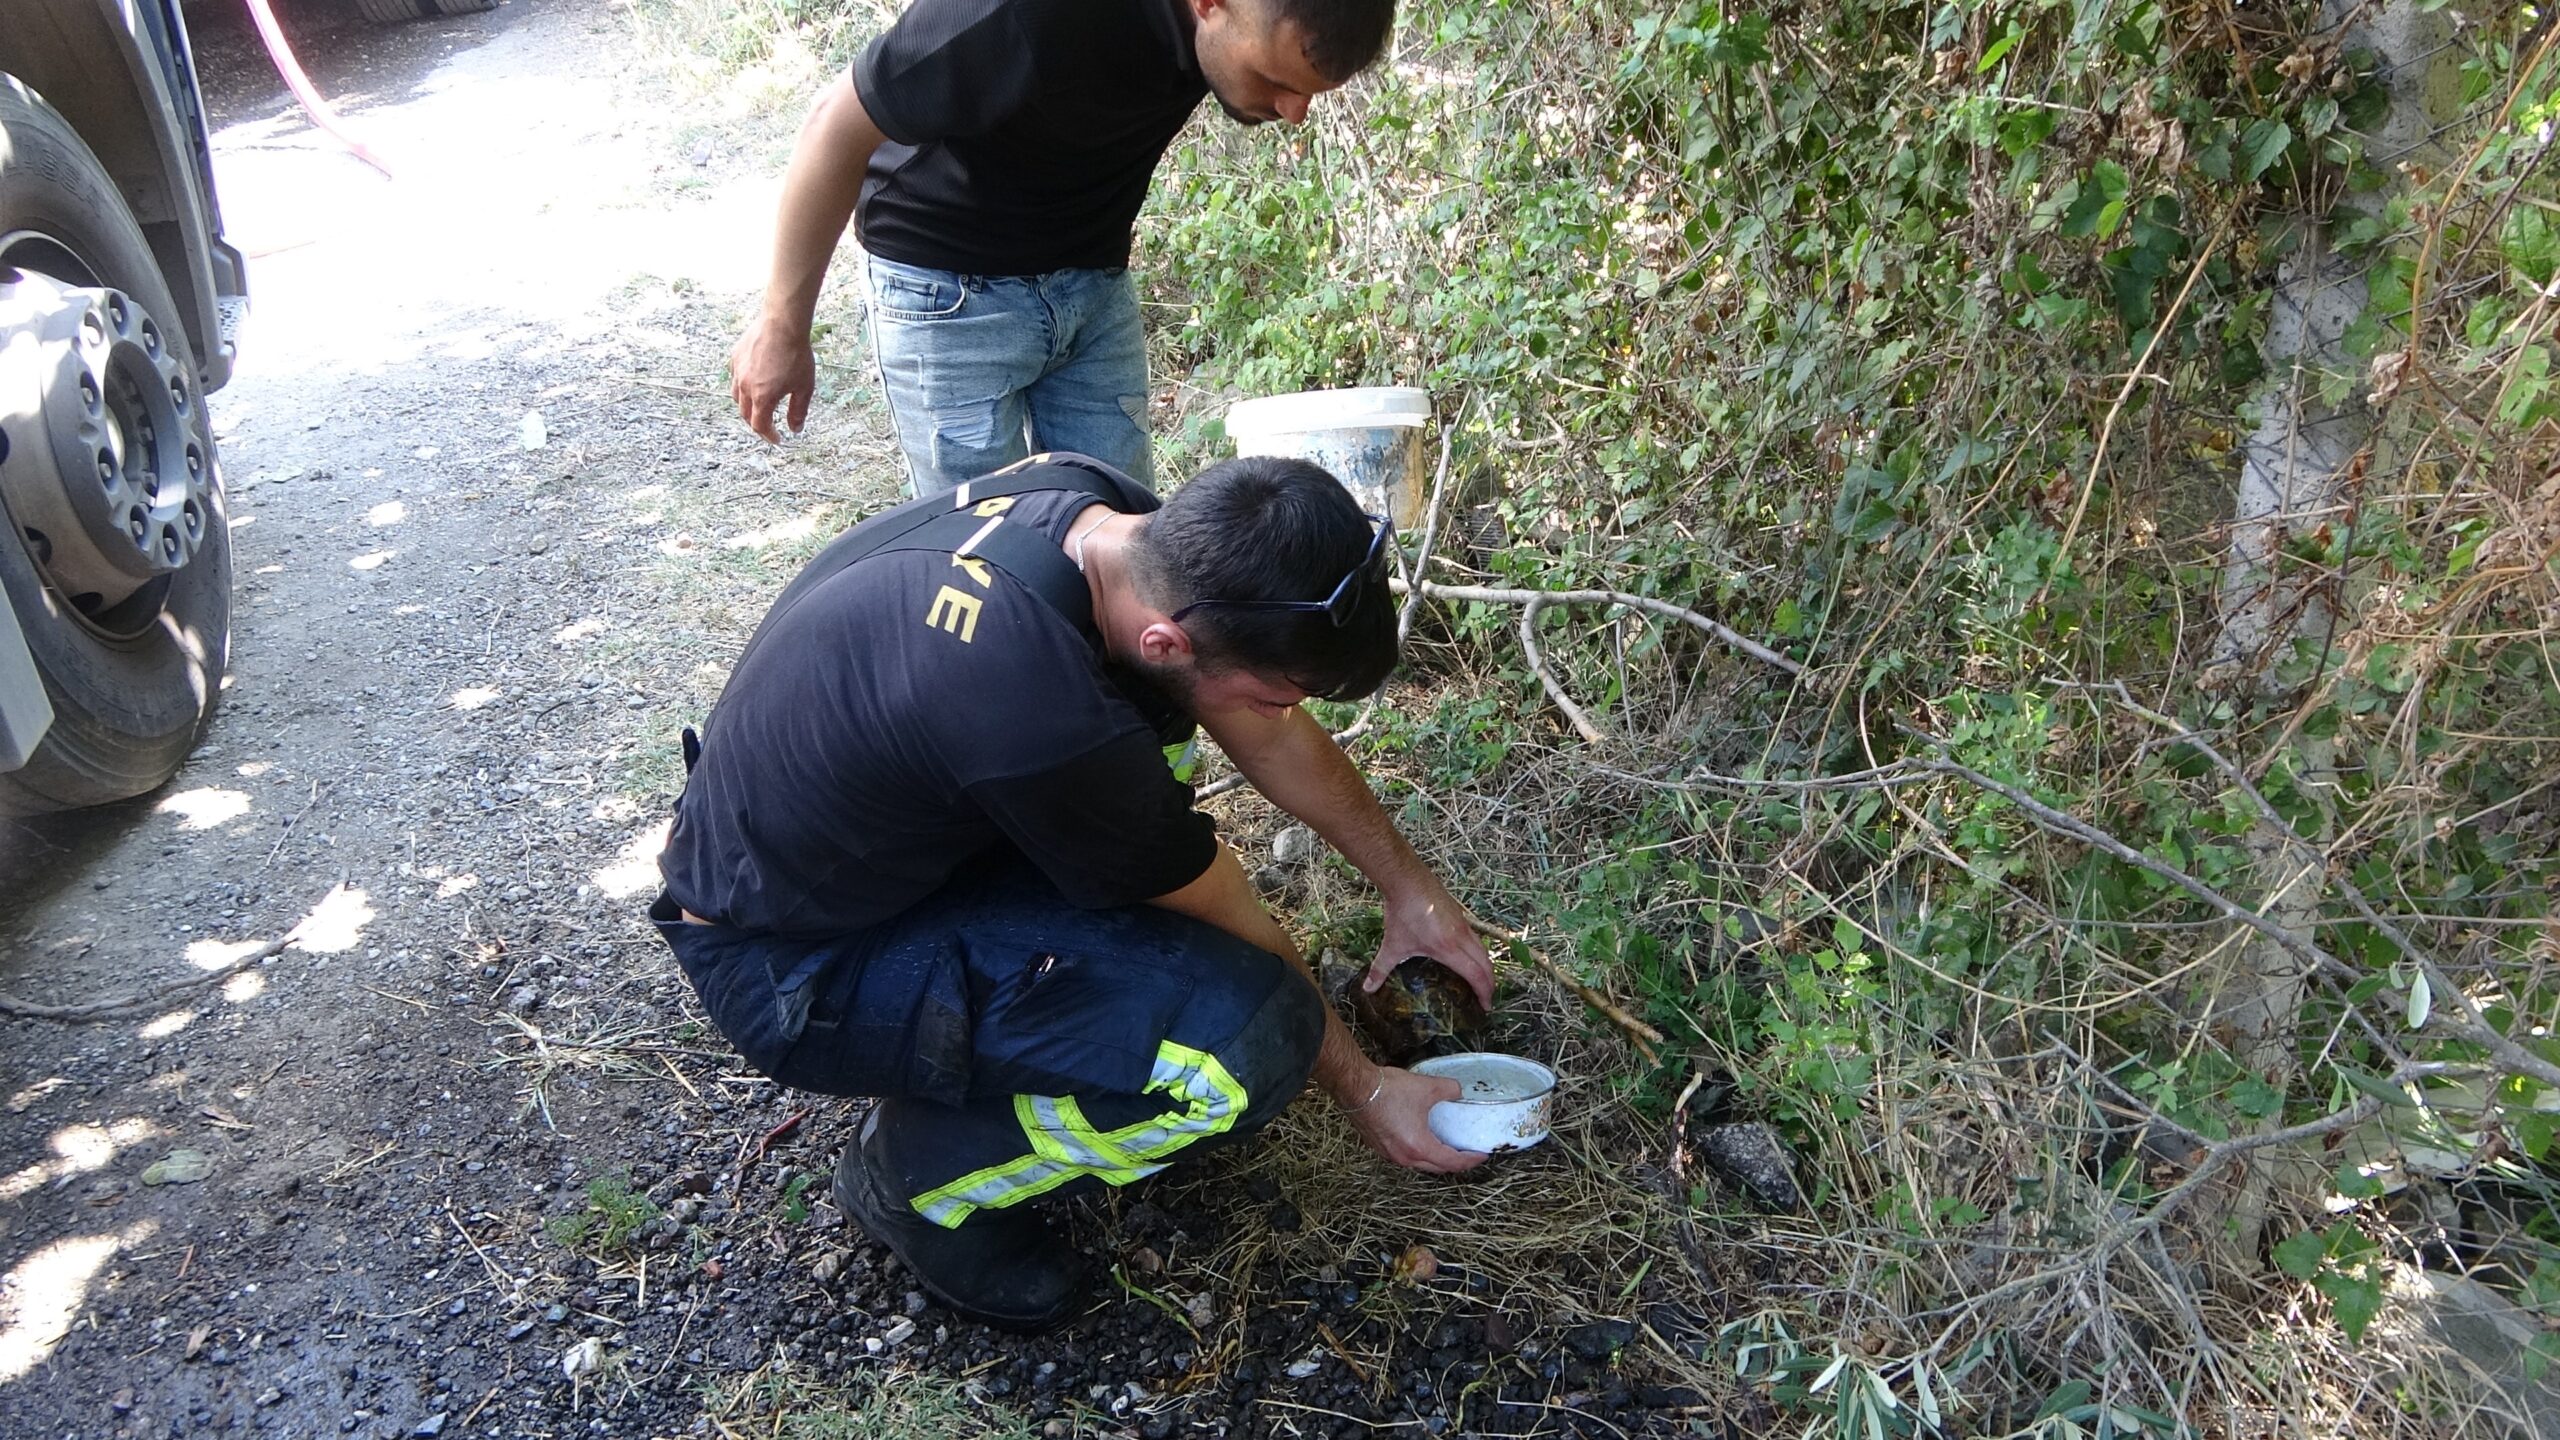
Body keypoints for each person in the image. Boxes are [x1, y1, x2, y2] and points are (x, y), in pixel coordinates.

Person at [653, 451, 1492, 1331]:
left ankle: (1038, 1043)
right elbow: (1230, 913)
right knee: (1253, 1036)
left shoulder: (1106, 516)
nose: (1283, 714)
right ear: (1167, 637)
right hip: (794, 971)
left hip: (847, 860)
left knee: (1161, 729)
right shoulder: (1035, 706)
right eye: (1284, 695)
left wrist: (1413, 894)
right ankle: (911, 1180)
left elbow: (1264, 731)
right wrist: (1366, 1090)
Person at [726, 0, 1397, 493]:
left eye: (1308, 95)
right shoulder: (1026, 13)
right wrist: (784, 324)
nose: (1292, 112)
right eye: (1277, 82)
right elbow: (836, 122)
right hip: (945, 287)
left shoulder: (1239, 33)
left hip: (1091, 283)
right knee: (979, 558)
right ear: (1209, 4)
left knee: (1126, 530)